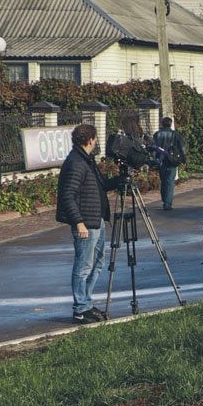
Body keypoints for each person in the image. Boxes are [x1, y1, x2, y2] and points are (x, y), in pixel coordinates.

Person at [56, 123, 119, 324]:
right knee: (84, 266)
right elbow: (68, 196)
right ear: (91, 139)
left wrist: (119, 180)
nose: (97, 142)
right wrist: (79, 222)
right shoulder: (75, 162)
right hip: (86, 223)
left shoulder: (87, 160)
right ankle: (80, 309)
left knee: (97, 263)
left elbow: (100, 186)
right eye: (96, 138)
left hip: (96, 220)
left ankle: (86, 303)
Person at [152, 117, 187, 210]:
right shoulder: (176, 134)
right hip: (172, 160)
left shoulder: (157, 134)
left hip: (161, 160)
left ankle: (164, 200)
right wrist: (183, 159)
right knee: (170, 182)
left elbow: (154, 148)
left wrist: (153, 160)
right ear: (171, 124)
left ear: (162, 124)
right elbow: (182, 147)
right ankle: (167, 203)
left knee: (163, 181)